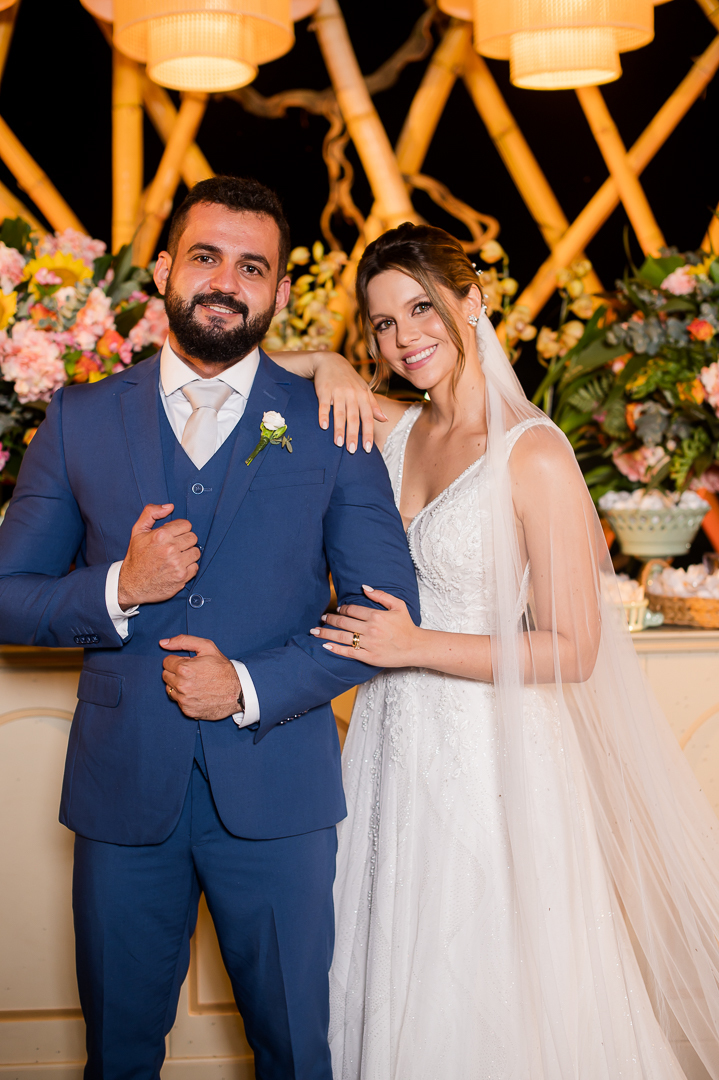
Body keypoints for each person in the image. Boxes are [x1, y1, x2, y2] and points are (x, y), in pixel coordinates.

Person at [0, 176, 420, 1080]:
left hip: (280, 794)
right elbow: (7, 595)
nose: (227, 281)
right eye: (205, 256)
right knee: (118, 1056)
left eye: (252, 267)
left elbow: (388, 607)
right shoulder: (78, 419)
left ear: (279, 291)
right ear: (163, 270)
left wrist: (251, 685)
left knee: (297, 1054)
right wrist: (119, 587)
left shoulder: (329, 419)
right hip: (121, 793)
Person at [302, 224, 719, 1079]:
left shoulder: (533, 452)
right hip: (388, 741)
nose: (403, 337)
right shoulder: (391, 427)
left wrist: (412, 643)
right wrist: (325, 361)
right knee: (386, 958)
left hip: (494, 757)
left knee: (480, 974)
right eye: (381, 323)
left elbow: (573, 648)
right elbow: (252, 369)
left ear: (472, 302)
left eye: (421, 308)